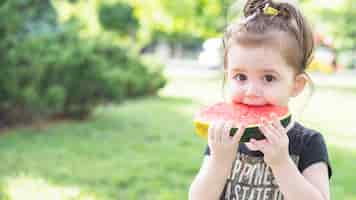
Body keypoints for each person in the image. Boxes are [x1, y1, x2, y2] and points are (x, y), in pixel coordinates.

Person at [188, 0, 332, 199]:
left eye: (268, 78)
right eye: (240, 77)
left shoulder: (308, 143)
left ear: (296, 85)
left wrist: (282, 163)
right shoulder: (224, 137)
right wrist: (219, 162)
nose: (251, 91)